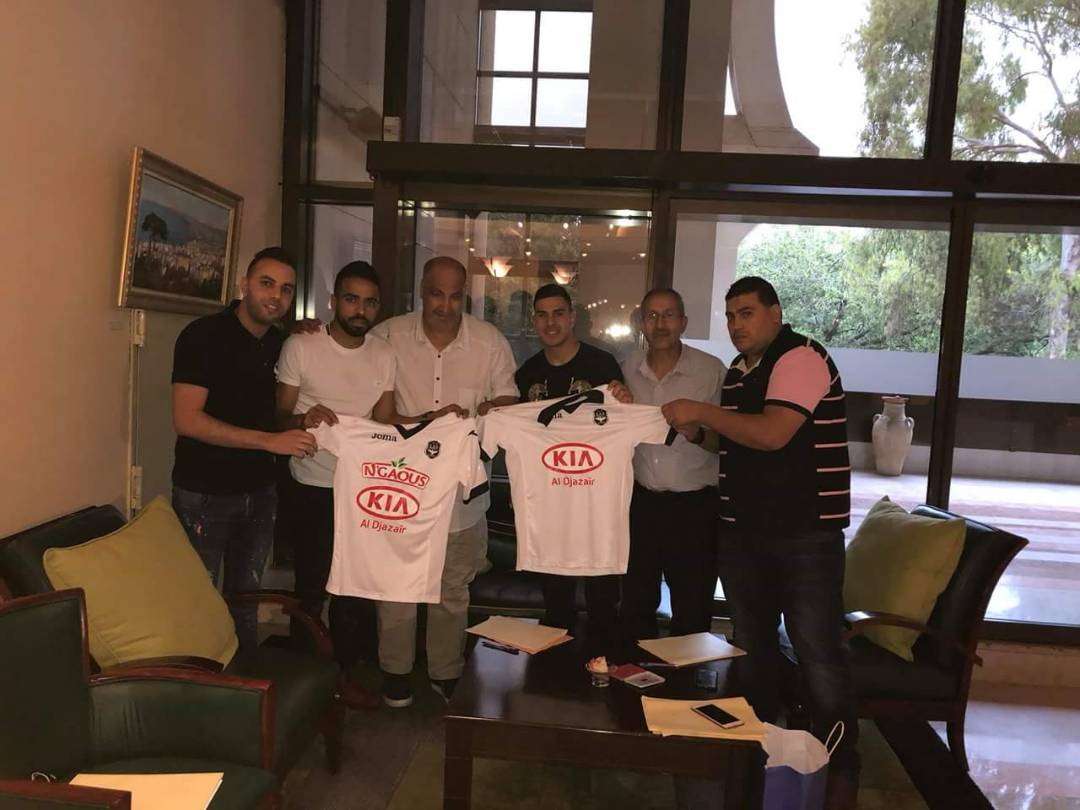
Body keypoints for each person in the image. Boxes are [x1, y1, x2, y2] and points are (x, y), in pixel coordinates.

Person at [660, 276, 859, 808]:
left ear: (775, 313)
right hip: (746, 534)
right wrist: (695, 431)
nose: (736, 325)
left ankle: (840, 773)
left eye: (746, 313)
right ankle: (762, 756)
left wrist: (701, 411)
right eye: (730, 316)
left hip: (803, 535)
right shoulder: (739, 371)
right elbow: (732, 440)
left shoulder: (800, 357)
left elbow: (772, 433)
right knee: (753, 647)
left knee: (817, 653)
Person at [370, 256, 519, 706]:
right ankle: (395, 671)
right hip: (401, 487)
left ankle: (446, 671)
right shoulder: (387, 337)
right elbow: (368, 403)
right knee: (397, 585)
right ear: (422, 289)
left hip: (461, 494)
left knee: (452, 589)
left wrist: (494, 409)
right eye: (437, 293)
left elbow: (508, 400)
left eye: (455, 296)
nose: (446, 305)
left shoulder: (489, 342)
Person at [171, 246, 315, 649]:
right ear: (244, 285)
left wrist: (303, 421)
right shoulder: (203, 336)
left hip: (260, 493)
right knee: (197, 601)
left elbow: (273, 415)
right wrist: (270, 441)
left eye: (286, 289)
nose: (276, 296)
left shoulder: (282, 344)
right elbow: (186, 420)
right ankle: (196, 679)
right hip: (204, 493)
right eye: (267, 283)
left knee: (245, 603)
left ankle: (245, 680)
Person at [275, 260, 397, 710]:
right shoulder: (301, 345)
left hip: (362, 487)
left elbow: (385, 424)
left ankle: (344, 677)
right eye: (351, 299)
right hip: (311, 482)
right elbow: (278, 416)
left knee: (355, 588)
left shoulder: (384, 354)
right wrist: (303, 419)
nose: (360, 309)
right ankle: (300, 682)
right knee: (311, 585)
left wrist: (433, 423)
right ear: (333, 301)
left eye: (369, 302)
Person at [514, 283, 629, 654]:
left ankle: (603, 675)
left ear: (572, 317)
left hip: (597, 504)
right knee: (556, 607)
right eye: (542, 315)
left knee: (603, 604)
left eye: (558, 313)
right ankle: (554, 679)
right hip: (550, 506)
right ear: (534, 321)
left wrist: (626, 402)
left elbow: (625, 422)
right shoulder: (527, 374)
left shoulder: (602, 365)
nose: (551, 322)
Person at [615, 288, 725, 641]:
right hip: (640, 505)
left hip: (695, 509)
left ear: (683, 322)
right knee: (635, 607)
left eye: (669, 315)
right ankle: (633, 675)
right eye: (652, 316)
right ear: (641, 323)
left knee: (692, 610)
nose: (660, 324)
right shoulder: (624, 371)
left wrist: (697, 433)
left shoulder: (711, 371)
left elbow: (729, 443)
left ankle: (688, 678)